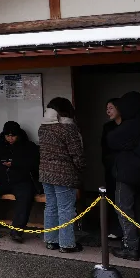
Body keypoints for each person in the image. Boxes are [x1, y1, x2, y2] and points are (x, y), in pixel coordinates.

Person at [108, 91, 140, 260]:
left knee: (124, 209)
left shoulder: (132, 124)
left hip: (128, 174)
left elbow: (112, 140)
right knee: (138, 209)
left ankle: (130, 247)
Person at [0, 121, 40, 243]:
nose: (10, 138)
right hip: (0, 181)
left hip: (21, 181)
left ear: (19, 135)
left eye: (13, 136)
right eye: (7, 136)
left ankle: (17, 230)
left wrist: (15, 164)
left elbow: (35, 164)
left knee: (26, 195)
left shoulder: (29, 146)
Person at [38, 97, 86, 253]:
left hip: (45, 174)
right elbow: (77, 154)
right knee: (65, 209)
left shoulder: (43, 128)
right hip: (64, 175)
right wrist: (81, 169)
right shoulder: (69, 129)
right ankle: (66, 244)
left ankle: (51, 240)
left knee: (51, 206)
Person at [101, 98, 123, 240]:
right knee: (112, 198)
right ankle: (114, 229)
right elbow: (104, 148)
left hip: (127, 168)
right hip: (112, 167)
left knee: (125, 201)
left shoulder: (129, 125)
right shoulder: (107, 127)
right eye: (107, 108)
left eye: (111, 108)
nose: (108, 111)